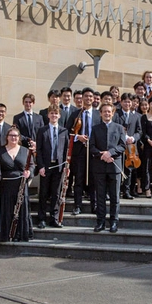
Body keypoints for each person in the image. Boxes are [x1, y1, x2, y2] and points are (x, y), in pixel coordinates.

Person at [90, 103, 126, 233]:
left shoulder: (119, 128)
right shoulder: (95, 128)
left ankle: (114, 222)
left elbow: (122, 146)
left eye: (109, 112)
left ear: (113, 113)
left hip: (114, 167)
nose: (107, 114)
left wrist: (110, 153)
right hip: (99, 167)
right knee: (100, 196)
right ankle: (100, 222)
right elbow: (92, 146)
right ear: (100, 113)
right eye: (104, 111)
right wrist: (102, 155)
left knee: (114, 196)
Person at [66, 87, 101, 215]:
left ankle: (95, 205)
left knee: (94, 179)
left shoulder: (98, 114)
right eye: (86, 96)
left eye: (90, 96)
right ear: (82, 98)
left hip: (93, 151)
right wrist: (77, 137)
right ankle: (77, 206)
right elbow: (67, 132)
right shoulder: (76, 114)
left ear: (93, 98)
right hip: (79, 151)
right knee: (79, 179)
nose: (88, 99)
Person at [0, 127, 34, 242]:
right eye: (11, 135)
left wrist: (29, 173)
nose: (13, 138)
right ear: (7, 137)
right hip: (5, 186)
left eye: (16, 136)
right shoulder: (0, 150)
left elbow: (32, 165)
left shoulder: (25, 151)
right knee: (6, 209)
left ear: (19, 138)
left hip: (21, 185)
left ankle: (20, 234)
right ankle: (6, 234)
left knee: (21, 209)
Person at [36, 105, 69, 228]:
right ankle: (42, 218)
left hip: (59, 166)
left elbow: (66, 150)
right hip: (46, 165)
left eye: (56, 114)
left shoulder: (63, 131)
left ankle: (54, 218)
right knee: (44, 192)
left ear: (59, 116)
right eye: (52, 113)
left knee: (56, 193)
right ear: (48, 115)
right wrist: (40, 166)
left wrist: (66, 165)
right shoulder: (41, 130)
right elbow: (38, 150)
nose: (54, 116)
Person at [114, 93, 142, 199]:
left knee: (129, 170)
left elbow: (139, 131)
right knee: (117, 169)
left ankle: (126, 191)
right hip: (118, 145)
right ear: (121, 102)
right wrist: (123, 137)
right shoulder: (116, 114)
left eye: (129, 101)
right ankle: (115, 191)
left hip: (131, 148)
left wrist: (133, 138)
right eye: (125, 101)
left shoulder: (136, 116)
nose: (127, 103)